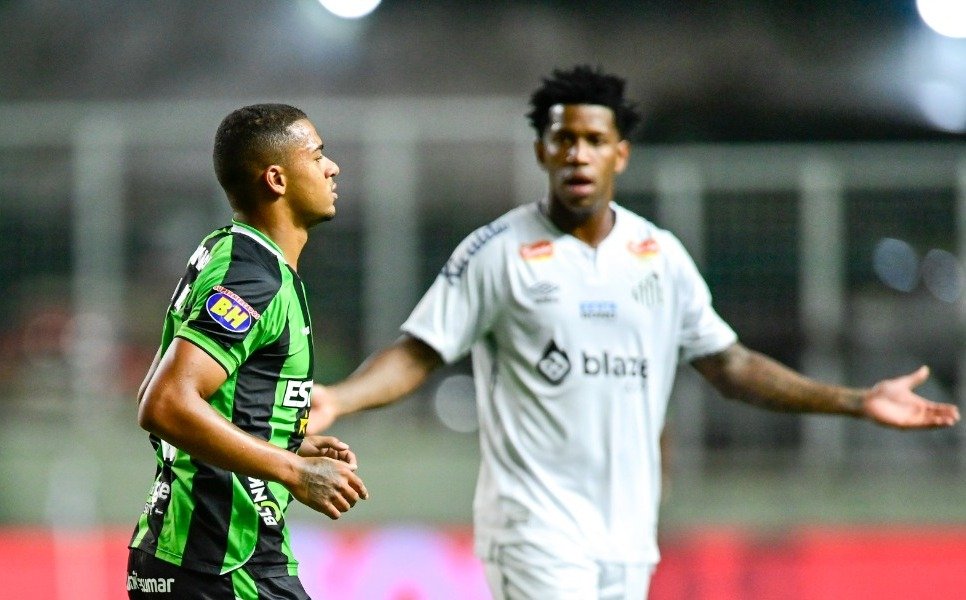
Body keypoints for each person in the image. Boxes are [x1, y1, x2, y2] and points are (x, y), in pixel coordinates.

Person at [309, 66, 961, 600]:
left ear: (620, 151)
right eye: (563, 140)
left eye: (594, 140)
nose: (578, 155)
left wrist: (853, 401)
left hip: (627, 536)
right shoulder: (497, 252)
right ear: (542, 150)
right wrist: (341, 397)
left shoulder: (661, 256)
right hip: (535, 531)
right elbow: (420, 350)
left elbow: (730, 365)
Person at [127, 103, 369, 600]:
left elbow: (174, 393)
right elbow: (165, 403)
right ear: (277, 179)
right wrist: (293, 470)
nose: (332, 166)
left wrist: (280, 438)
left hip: (188, 557)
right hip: (223, 564)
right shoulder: (251, 278)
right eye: (318, 154)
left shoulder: (229, 252)